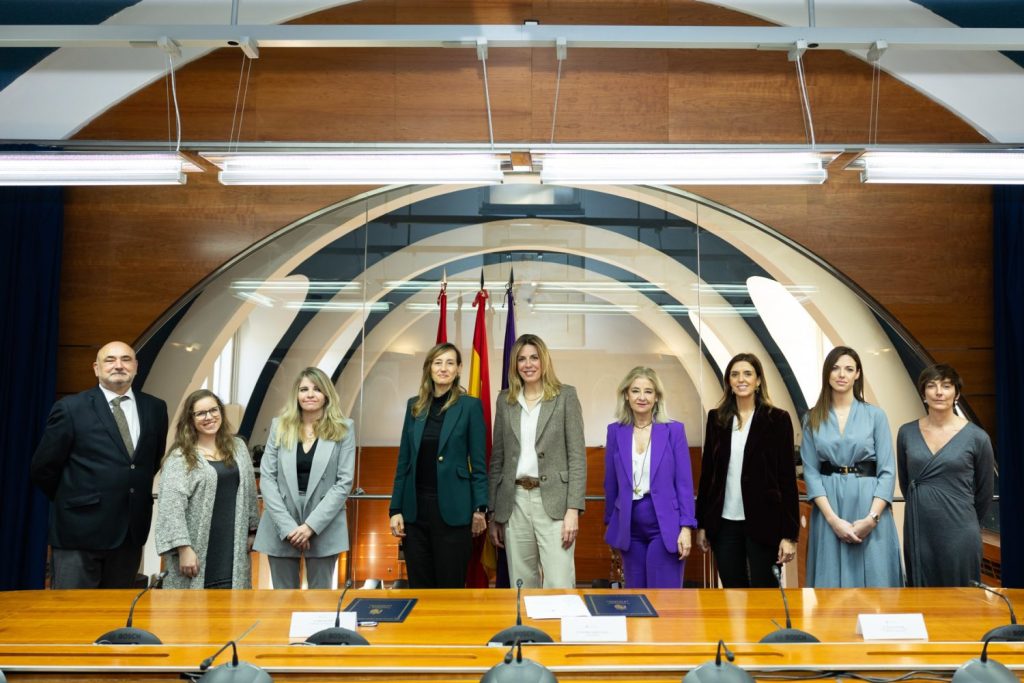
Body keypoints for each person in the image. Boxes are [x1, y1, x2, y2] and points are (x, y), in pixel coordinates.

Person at [30, 341, 169, 589]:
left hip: (130, 532)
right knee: (74, 617)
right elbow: (43, 468)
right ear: (96, 368)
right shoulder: (71, 408)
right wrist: (76, 499)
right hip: (79, 533)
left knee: (115, 620)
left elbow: (149, 462)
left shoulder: (155, 408)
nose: (119, 365)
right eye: (110, 360)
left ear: (136, 366)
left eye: (126, 359)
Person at [489, 333, 586, 588]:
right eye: (521, 359)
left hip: (555, 504)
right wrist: (494, 513)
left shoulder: (565, 396)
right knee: (522, 585)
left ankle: (558, 630)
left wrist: (573, 510)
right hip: (515, 502)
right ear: (515, 365)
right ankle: (526, 630)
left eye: (534, 357)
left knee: (559, 582)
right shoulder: (505, 400)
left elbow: (577, 457)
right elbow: (497, 460)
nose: (528, 364)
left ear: (544, 361)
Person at [800, 346, 903, 587]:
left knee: (877, 581)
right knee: (829, 583)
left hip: (869, 505)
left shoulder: (875, 415)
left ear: (857, 374)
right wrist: (833, 520)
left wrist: (872, 518)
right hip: (829, 508)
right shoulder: (812, 418)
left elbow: (887, 471)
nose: (841, 374)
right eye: (835, 368)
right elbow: (811, 472)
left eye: (848, 369)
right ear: (827, 373)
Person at [388, 343, 489, 588]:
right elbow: (404, 461)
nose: (443, 368)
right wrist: (395, 509)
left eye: (450, 363)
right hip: (415, 512)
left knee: (450, 587)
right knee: (420, 586)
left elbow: (479, 463)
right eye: (438, 362)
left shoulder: (470, 407)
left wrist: (480, 509)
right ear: (429, 368)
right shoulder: (415, 405)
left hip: (454, 512)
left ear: (458, 369)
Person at [695, 353, 799, 588]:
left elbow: (787, 480)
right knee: (733, 592)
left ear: (758, 381)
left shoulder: (778, 419)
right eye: (735, 374)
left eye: (747, 374)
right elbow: (707, 476)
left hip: (765, 522)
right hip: (724, 524)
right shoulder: (716, 418)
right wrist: (702, 524)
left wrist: (789, 535)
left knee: (765, 593)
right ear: (729, 382)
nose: (741, 379)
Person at [253, 367, 355, 589]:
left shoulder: (344, 429)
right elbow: (268, 478)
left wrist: (310, 526)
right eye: (304, 389)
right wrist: (289, 527)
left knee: (320, 602)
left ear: (326, 394)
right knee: (283, 600)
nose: (310, 394)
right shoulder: (279, 426)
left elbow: (344, 482)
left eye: (317, 389)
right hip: (281, 520)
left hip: (324, 522)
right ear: (296, 395)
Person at [897, 364, 994, 587]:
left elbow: (985, 491)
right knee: (921, 596)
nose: (939, 392)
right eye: (931, 386)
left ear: (956, 394)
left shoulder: (977, 438)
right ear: (923, 394)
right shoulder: (906, 433)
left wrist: (961, 516)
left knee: (963, 598)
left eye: (946, 386)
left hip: (960, 529)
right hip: (919, 528)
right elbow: (906, 482)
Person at [155, 390, 259, 589]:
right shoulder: (180, 457)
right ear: (190, 419)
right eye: (201, 413)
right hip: (196, 548)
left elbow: (249, 493)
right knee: (193, 613)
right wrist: (184, 548)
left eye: (214, 410)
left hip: (233, 546)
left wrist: (252, 530)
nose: (209, 417)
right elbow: (171, 507)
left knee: (232, 609)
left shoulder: (238, 447)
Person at [603, 367, 695, 588]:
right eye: (635, 391)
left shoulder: (673, 431)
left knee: (664, 601)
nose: (641, 397)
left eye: (648, 391)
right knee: (636, 601)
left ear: (656, 397)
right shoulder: (616, 431)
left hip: (664, 526)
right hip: (629, 529)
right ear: (626, 395)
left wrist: (686, 527)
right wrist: (611, 524)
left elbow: (684, 483)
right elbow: (611, 483)